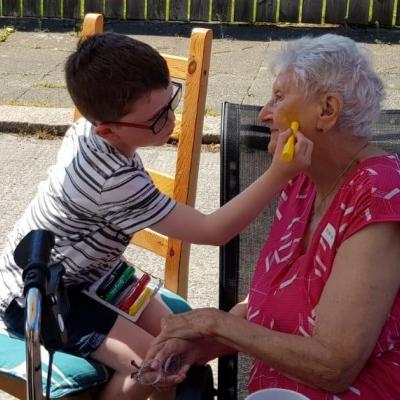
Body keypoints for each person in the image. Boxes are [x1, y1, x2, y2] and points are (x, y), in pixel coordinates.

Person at [0, 32, 312, 400]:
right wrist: (280, 172)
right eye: (156, 119)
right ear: (107, 129)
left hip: (96, 271)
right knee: (161, 368)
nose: (171, 122)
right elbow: (212, 231)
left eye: (172, 102)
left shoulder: (94, 124)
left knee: (179, 341)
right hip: (45, 295)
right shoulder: (113, 180)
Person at [144, 34, 400, 399]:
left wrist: (215, 324)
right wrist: (200, 346)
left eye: (279, 97)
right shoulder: (303, 181)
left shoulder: (380, 195)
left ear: (326, 110)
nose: (264, 113)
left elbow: (333, 367)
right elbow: (271, 303)